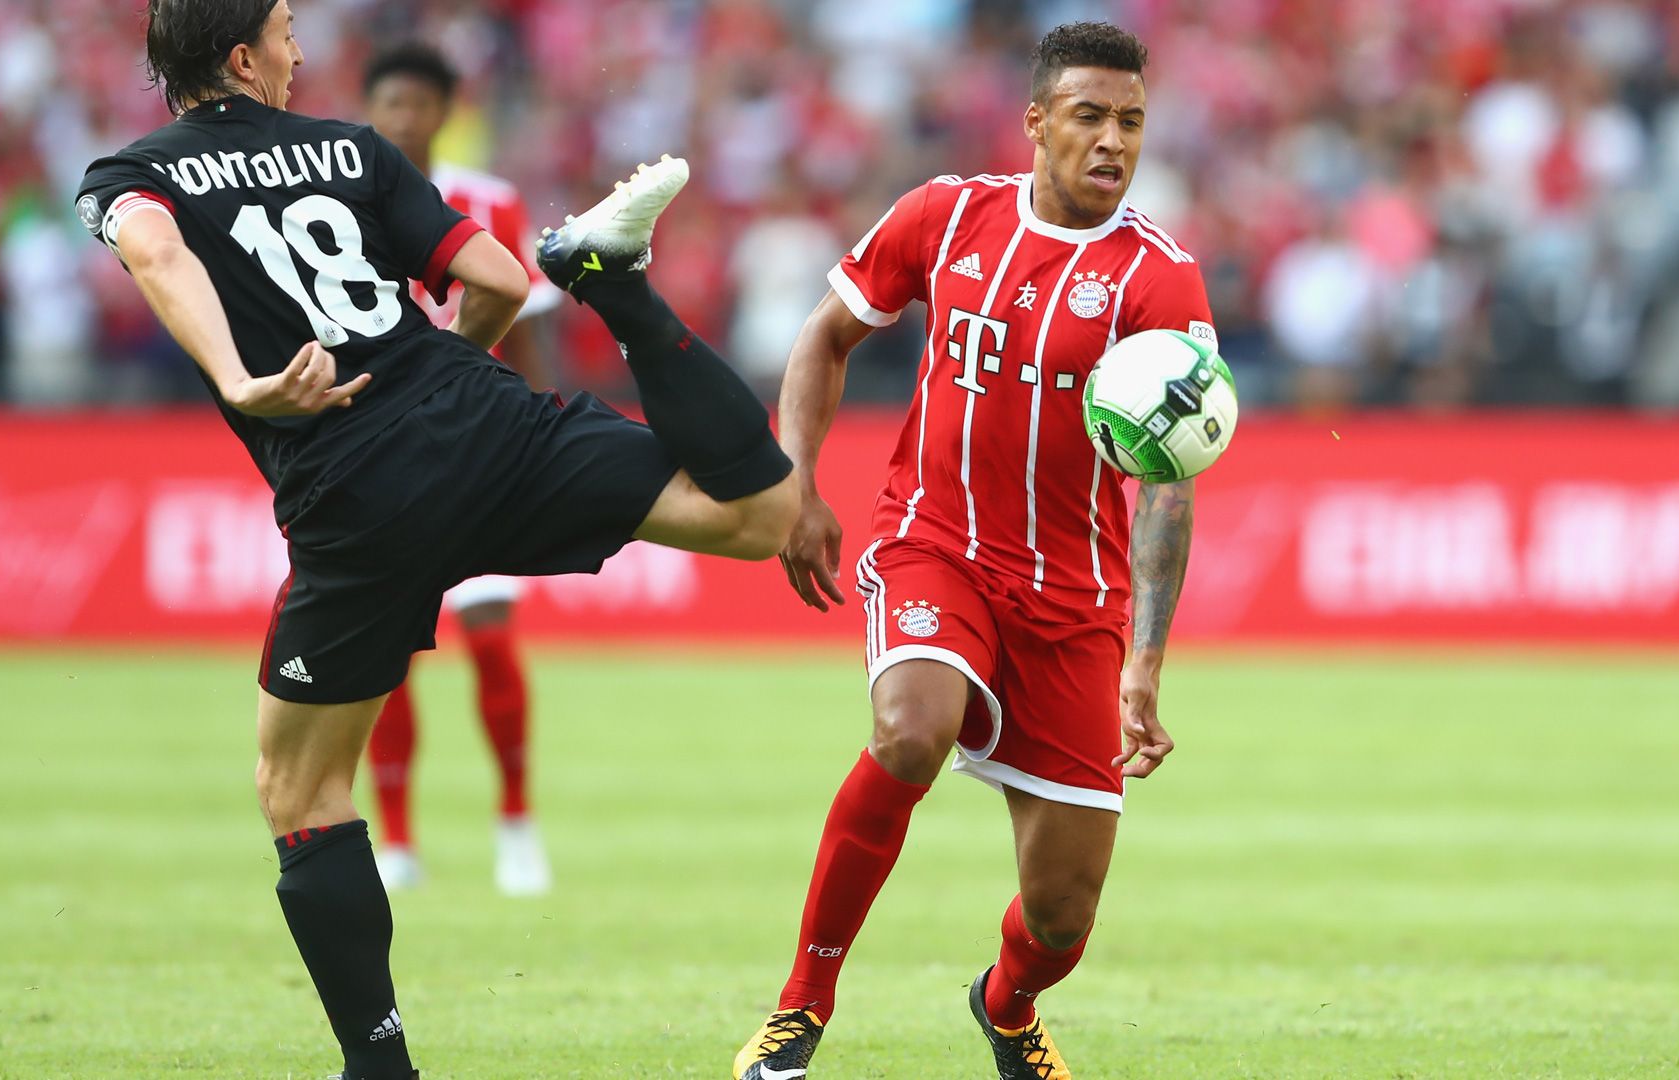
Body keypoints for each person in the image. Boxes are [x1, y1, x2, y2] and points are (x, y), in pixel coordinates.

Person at [75, 2, 797, 1077]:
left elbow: (156, 252)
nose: (299, 51)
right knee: (757, 516)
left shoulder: (130, 173)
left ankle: (380, 1066)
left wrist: (239, 381)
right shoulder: (354, 148)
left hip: (357, 495)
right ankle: (620, 288)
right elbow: (498, 280)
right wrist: (450, 373)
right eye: (285, 31)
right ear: (242, 57)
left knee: (300, 791)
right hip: (484, 420)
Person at [735, 22, 1209, 1080]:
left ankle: (1006, 1006)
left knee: (1062, 916)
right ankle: (800, 1008)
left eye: (1132, 121)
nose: (1113, 141)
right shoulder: (945, 216)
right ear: (1036, 121)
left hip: (1074, 597)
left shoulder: (1161, 280)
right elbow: (824, 335)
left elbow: (1169, 485)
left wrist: (1144, 659)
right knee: (912, 730)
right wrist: (797, 482)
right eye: (1090, 116)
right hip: (935, 545)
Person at [360, 43, 562, 897]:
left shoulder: (491, 202)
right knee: (384, 653)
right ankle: (397, 840)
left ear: (445, 112)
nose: (404, 118)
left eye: (419, 103)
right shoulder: (339, 194)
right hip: (378, 455)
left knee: (490, 637)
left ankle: (515, 821)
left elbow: (531, 325)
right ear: (371, 109)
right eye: (391, 102)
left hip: (480, 449)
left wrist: (545, 430)